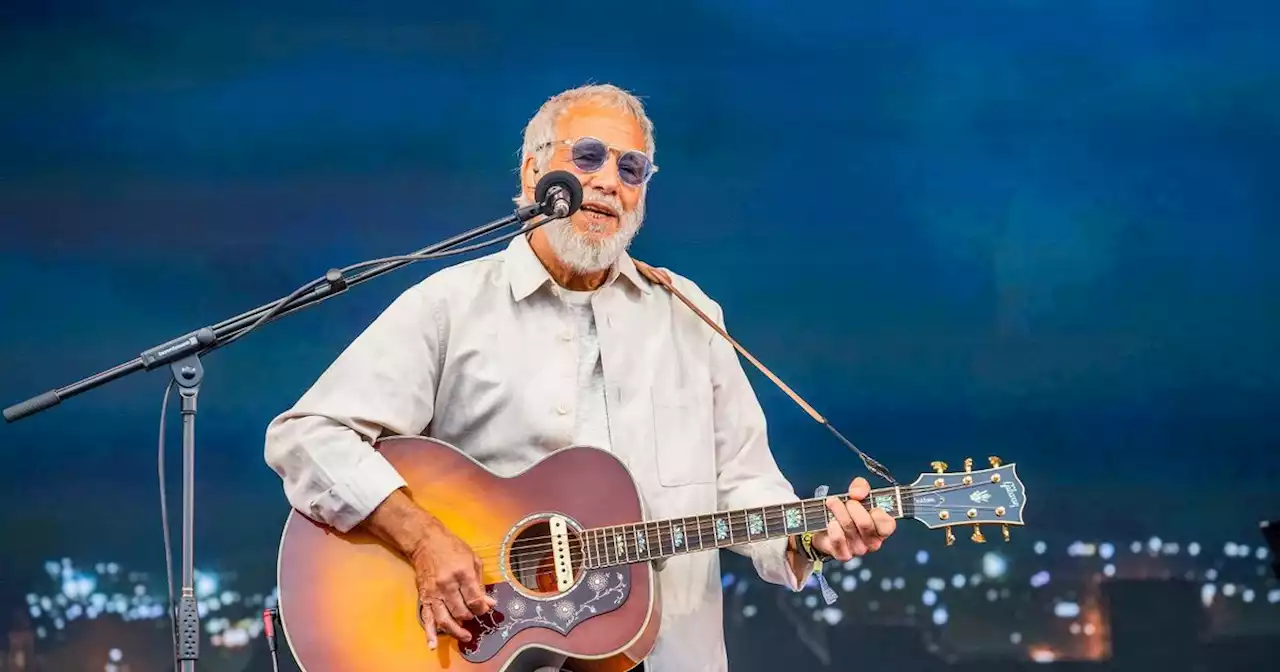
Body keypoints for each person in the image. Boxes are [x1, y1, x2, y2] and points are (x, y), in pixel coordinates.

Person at [264, 83, 896, 671]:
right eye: (588, 157)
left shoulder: (691, 314)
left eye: (631, 169)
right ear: (534, 172)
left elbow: (746, 484)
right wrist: (425, 537)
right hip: (479, 649)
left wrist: (809, 538)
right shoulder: (451, 304)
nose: (606, 183)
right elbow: (307, 435)